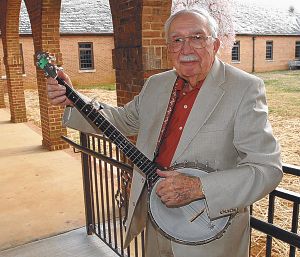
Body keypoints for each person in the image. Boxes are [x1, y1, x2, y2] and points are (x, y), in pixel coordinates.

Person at [47, 8, 282, 257]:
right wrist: (75, 100)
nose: (186, 48)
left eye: (197, 37)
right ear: (168, 48)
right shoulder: (156, 85)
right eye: (177, 40)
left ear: (215, 44)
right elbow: (121, 121)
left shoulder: (244, 88)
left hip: (209, 233)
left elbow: (267, 169)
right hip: (156, 219)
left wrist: (199, 187)